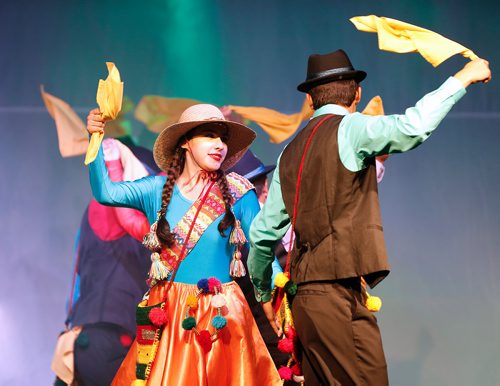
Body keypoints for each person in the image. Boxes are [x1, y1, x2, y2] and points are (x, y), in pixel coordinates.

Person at [248, 49, 491, 385]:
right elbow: (413, 127)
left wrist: (263, 294)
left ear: (309, 101)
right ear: (357, 94)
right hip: (337, 295)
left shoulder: (289, 151)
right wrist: (463, 77)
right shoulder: (351, 128)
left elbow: (262, 236)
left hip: (304, 300)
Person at [86, 104, 281, 385]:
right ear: (186, 141)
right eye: (209, 135)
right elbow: (105, 192)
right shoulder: (156, 190)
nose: (219, 145)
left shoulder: (239, 193)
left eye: (223, 138)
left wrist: (279, 287)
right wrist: (95, 139)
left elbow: (264, 249)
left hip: (222, 314)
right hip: (170, 314)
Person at [52, 139, 158, 386]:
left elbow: (76, 278)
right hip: (113, 339)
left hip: (83, 336)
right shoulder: (126, 212)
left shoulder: (92, 209)